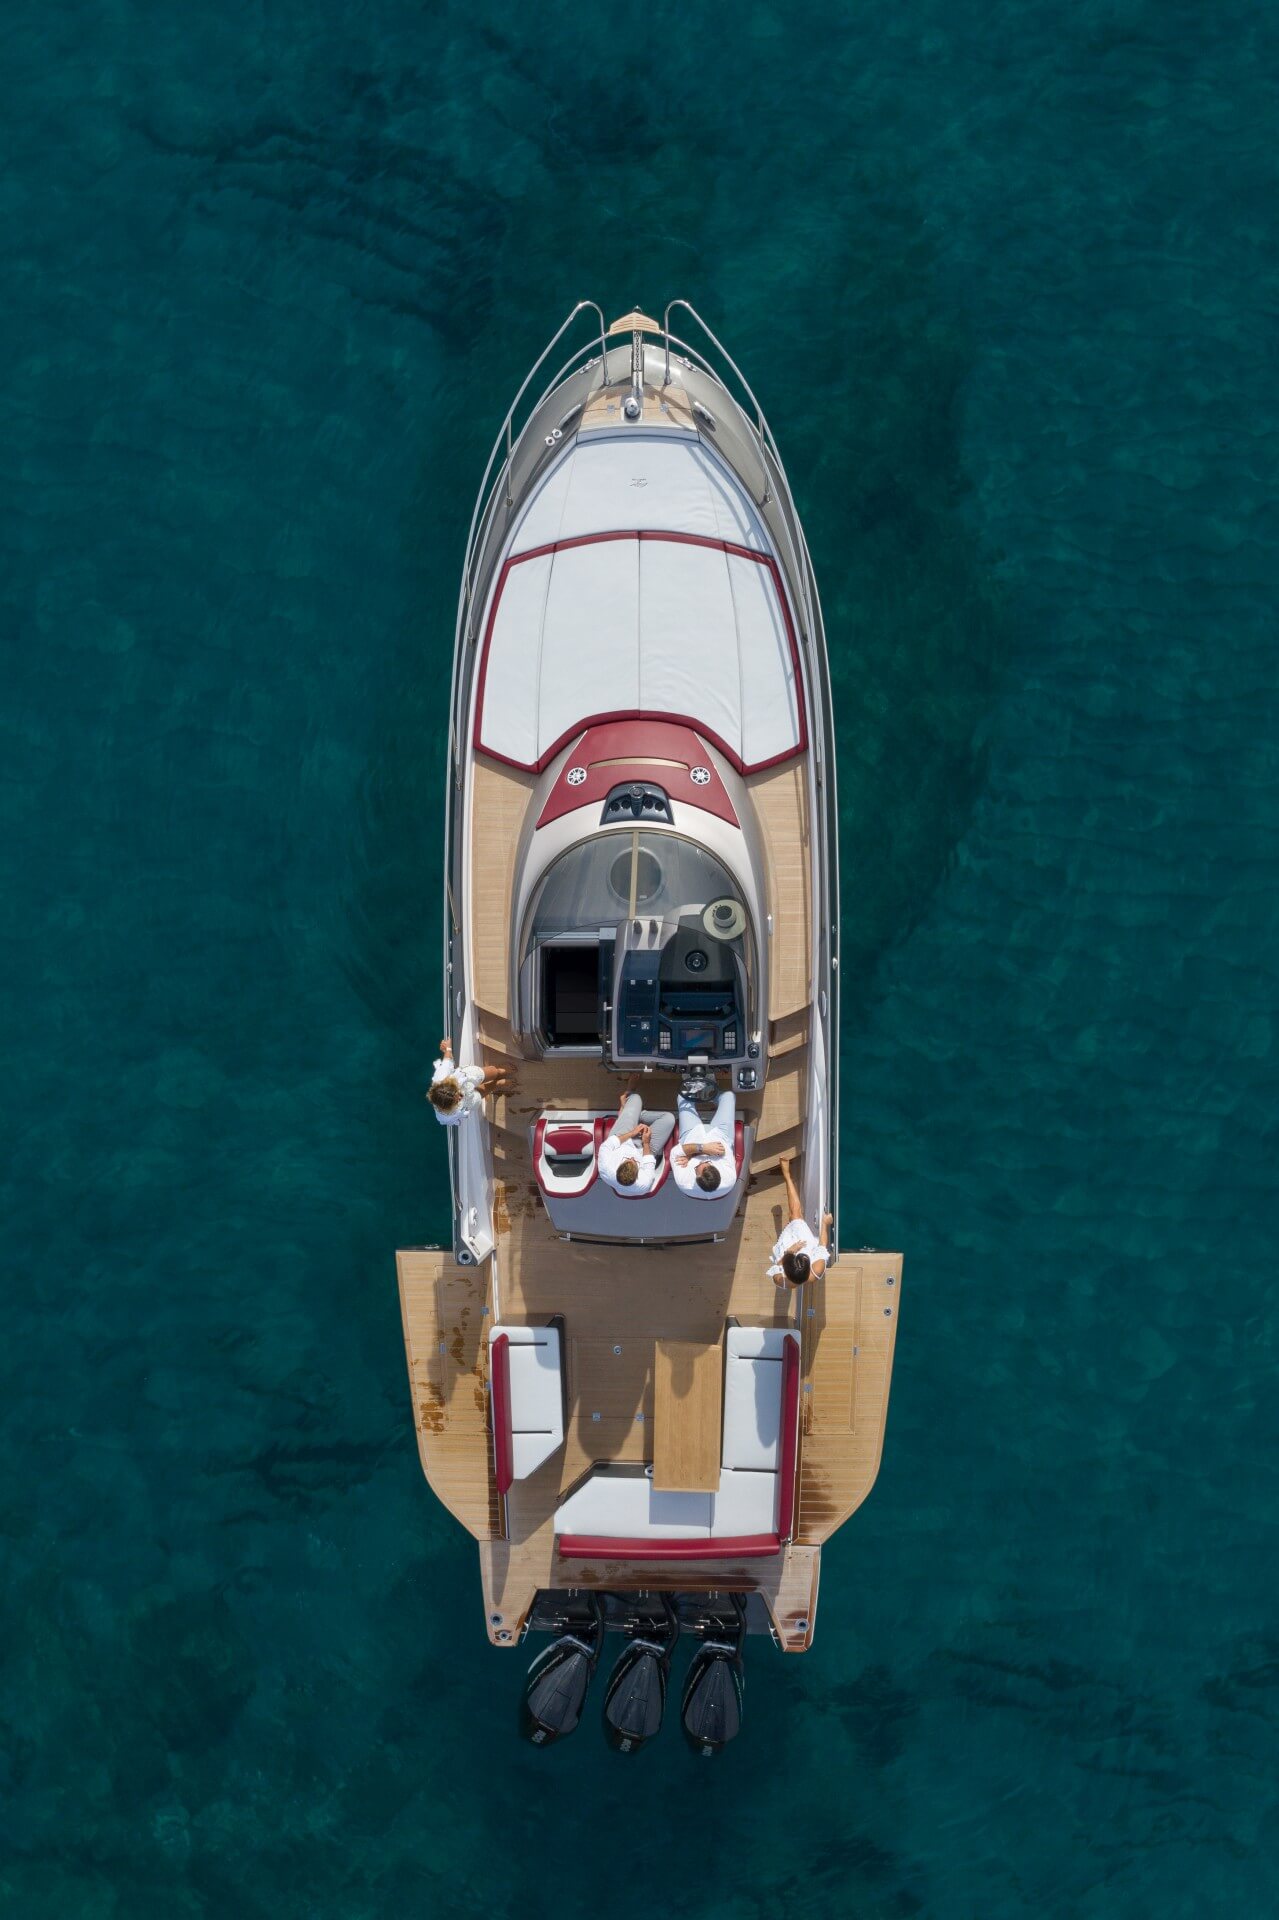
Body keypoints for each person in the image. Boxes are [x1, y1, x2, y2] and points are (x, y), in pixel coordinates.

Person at [598, 1076, 675, 1196]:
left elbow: (610, 1143)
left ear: (617, 1168)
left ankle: (630, 1102)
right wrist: (646, 1142)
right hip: (643, 1151)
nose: (633, 1158)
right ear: (637, 1176)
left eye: (628, 1160)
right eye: (635, 1162)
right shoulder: (644, 1183)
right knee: (669, 1119)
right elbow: (648, 1161)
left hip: (622, 1141)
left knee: (635, 1097)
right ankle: (635, 1113)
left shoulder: (606, 1169)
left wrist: (632, 1133)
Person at [767, 1152, 833, 1287]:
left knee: (794, 1217)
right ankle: (787, 1176)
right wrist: (825, 1223)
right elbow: (822, 1244)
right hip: (808, 1247)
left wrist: (789, 1251)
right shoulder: (817, 1269)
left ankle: (787, 1175)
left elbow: (778, 1264)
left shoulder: (779, 1279)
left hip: (785, 1253)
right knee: (796, 1215)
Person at [426, 1035, 516, 1126]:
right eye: (457, 1101)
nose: (460, 1097)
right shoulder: (444, 1117)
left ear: (449, 1083)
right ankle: (497, 1084)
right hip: (467, 1102)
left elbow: (447, 1060)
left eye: (457, 1093)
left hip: (464, 1078)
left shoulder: (440, 1076)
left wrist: (447, 1048)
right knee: (481, 1092)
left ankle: (498, 1072)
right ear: (447, 1108)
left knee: (491, 1071)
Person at [672, 1077, 738, 1200]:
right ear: (718, 1172)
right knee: (728, 1096)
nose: (703, 1161)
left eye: (698, 1166)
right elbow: (723, 1149)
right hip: (720, 1135)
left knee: (682, 1097)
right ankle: (709, 1091)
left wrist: (702, 1149)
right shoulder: (728, 1179)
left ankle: (695, 1086)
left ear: (696, 1178)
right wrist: (691, 1154)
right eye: (708, 1163)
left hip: (691, 1135)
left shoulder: (684, 1182)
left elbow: (675, 1152)